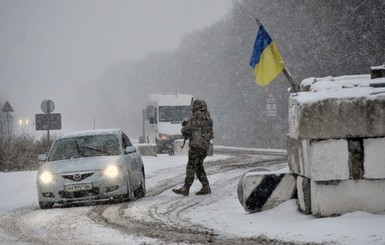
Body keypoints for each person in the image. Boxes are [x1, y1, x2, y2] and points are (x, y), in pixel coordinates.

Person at [172, 99, 214, 196]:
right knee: (198, 166)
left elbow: (186, 130)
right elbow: (208, 133)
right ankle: (205, 186)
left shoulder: (196, 117)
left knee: (191, 167)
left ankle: (186, 188)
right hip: (204, 147)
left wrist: (185, 126)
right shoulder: (208, 118)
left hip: (196, 146)